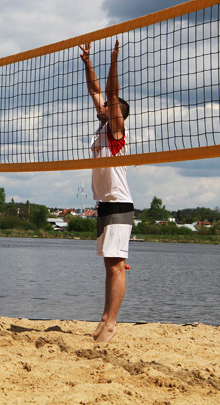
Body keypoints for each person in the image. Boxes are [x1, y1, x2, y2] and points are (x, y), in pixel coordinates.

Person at [79, 39, 133, 344]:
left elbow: (110, 94)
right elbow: (96, 92)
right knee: (110, 265)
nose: (100, 105)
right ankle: (104, 319)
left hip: (119, 204)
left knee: (116, 267)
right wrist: (88, 63)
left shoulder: (116, 130)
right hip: (105, 204)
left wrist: (113, 59)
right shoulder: (102, 126)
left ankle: (111, 324)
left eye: (107, 106)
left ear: (116, 114)